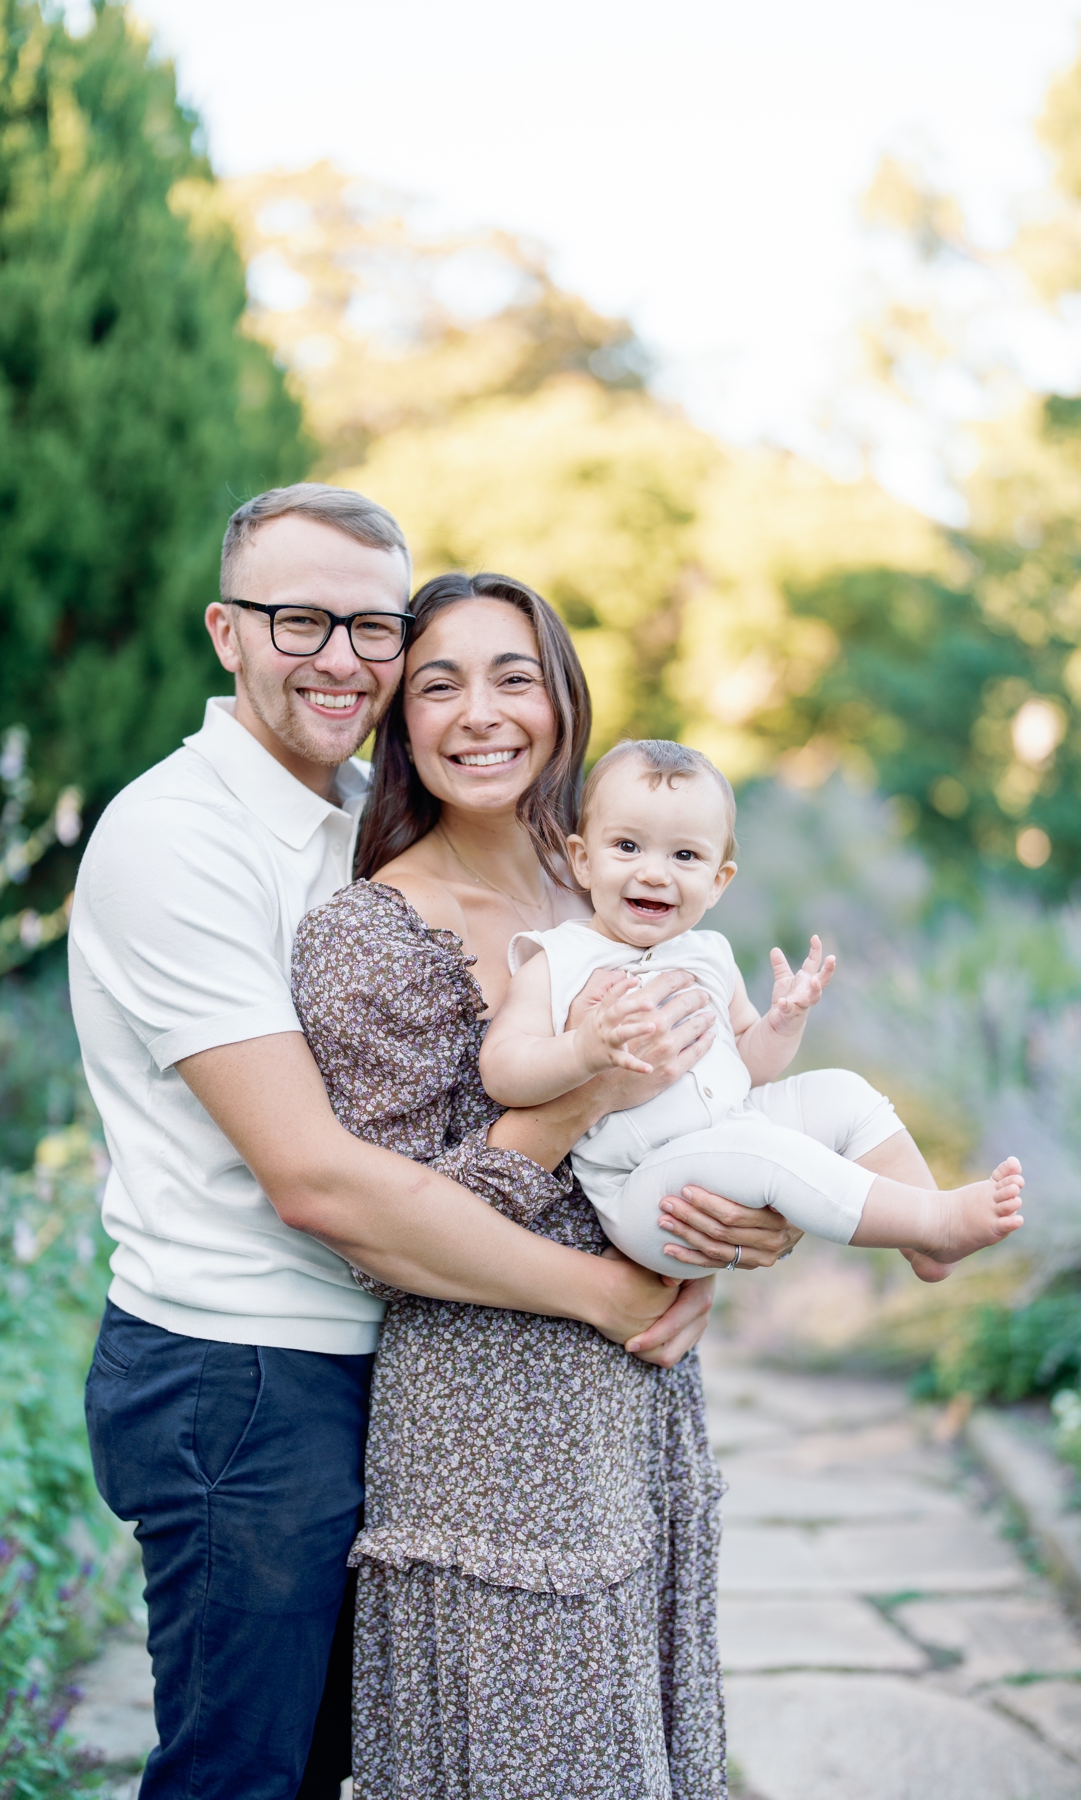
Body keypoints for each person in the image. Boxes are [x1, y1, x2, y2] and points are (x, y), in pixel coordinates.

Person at [71, 486, 787, 1800]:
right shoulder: (180, 840)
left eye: (369, 625)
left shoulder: (379, 819)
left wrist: (731, 1228)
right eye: (300, 621)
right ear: (226, 632)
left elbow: (671, 1128)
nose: (341, 656)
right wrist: (618, 1296)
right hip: (247, 1373)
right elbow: (321, 1182)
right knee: (250, 1772)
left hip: (411, 1358)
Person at [290, 574, 802, 1800]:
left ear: (564, 700)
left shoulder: (619, 888)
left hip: (637, 1411)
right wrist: (579, 1097)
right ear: (399, 722)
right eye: (439, 683)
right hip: (489, 1429)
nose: (482, 712)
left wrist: (743, 1220)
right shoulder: (371, 933)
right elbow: (384, 1227)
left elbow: (715, 1110)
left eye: (514, 676)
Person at [480, 737, 1025, 1277]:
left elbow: (749, 1067)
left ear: (718, 882)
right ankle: (937, 1222)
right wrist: (583, 1048)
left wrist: (782, 1022)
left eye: (685, 856)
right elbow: (502, 1071)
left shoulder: (708, 954)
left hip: (732, 1131)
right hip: (646, 1189)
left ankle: (925, 1240)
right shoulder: (557, 958)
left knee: (844, 1093)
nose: (653, 872)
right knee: (760, 1150)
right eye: (627, 847)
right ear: (582, 860)